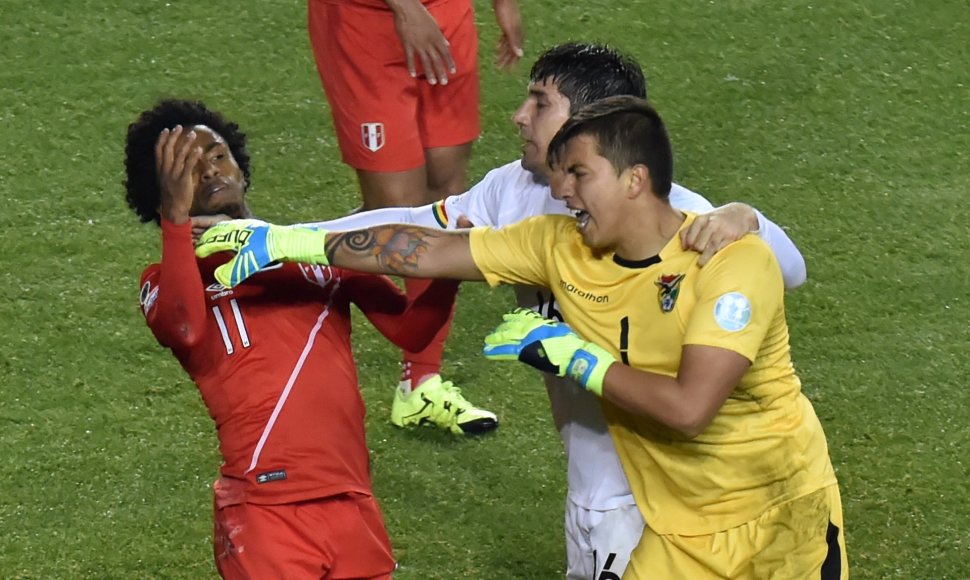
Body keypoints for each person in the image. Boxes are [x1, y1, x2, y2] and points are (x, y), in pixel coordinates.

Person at [219, 43, 805, 579]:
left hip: (662, 482)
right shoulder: (512, 194)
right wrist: (277, 238)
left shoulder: (678, 217)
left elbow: (787, 268)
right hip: (589, 475)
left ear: (589, 124)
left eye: (539, 101)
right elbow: (415, 234)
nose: (518, 116)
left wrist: (746, 215)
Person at [124, 98, 459, 578]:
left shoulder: (313, 248)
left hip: (352, 501)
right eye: (188, 169)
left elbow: (411, 329)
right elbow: (183, 327)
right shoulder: (167, 279)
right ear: (162, 195)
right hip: (264, 510)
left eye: (217, 155)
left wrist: (448, 268)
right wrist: (177, 223)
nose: (211, 171)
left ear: (240, 163)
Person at [305, 0, 523, 435]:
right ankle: (283, 256)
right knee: (397, 212)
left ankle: (420, 383)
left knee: (448, 199)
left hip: (447, 14)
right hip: (365, 19)